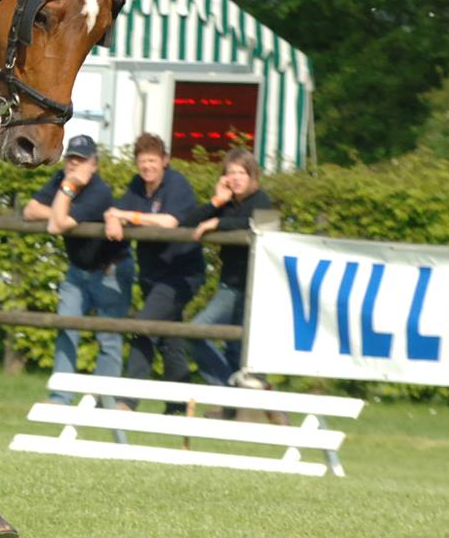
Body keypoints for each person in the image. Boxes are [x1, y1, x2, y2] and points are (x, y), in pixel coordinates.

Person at [21, 134, 133, 403]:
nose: (74, 165)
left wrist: (65, 195)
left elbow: (55, 226)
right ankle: (61, 398)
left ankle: (103, 401)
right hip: (78, 271)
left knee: (108, 339)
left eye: (81, 160)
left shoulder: (99, 192)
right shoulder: (63, 180)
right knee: (66, 328)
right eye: (71, 159)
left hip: (111, 270)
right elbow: (30, 210)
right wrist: (67, 192)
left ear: (94, 164)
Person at [104, 133, 207, 409]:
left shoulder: (177, 185)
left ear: (165, 161)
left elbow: (169, 221)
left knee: (144, 327)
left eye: (152, 160)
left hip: (181, 274)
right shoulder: (137, 186)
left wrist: (127, 216)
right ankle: (181, 405)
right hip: (152, 274)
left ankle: (126, 402)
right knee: (170, 339)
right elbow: (115, 209)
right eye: (142, 161)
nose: (147, 166)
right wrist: (112, 217)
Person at [186, 146, 275, 389]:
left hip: (254, 289)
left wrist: (218, 222)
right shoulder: (226, 202)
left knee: (231, 344)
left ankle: (232, 395)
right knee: (207, 336)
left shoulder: (261, 200)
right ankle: (229, 392)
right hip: (230, 284)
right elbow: (188, 223)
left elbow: (260, 223)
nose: (236, 178)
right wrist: (216, 201)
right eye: (231, 172)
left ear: (252, 176)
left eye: (241, 173)